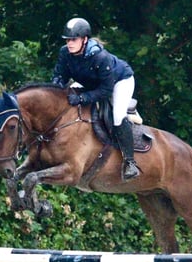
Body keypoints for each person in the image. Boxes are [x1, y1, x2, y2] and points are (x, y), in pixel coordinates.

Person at [51, 17, 140, 180]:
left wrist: (83, 98)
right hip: (91, 81)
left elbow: (106, 90)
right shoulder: (65, 53)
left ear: (84, 39)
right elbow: (59, 75)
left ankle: (130, 163)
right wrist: (55, 89)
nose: (70, 43)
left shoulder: (100, 57)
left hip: (119, 81)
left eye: (73, 39)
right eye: (68, 40)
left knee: (118, 116)